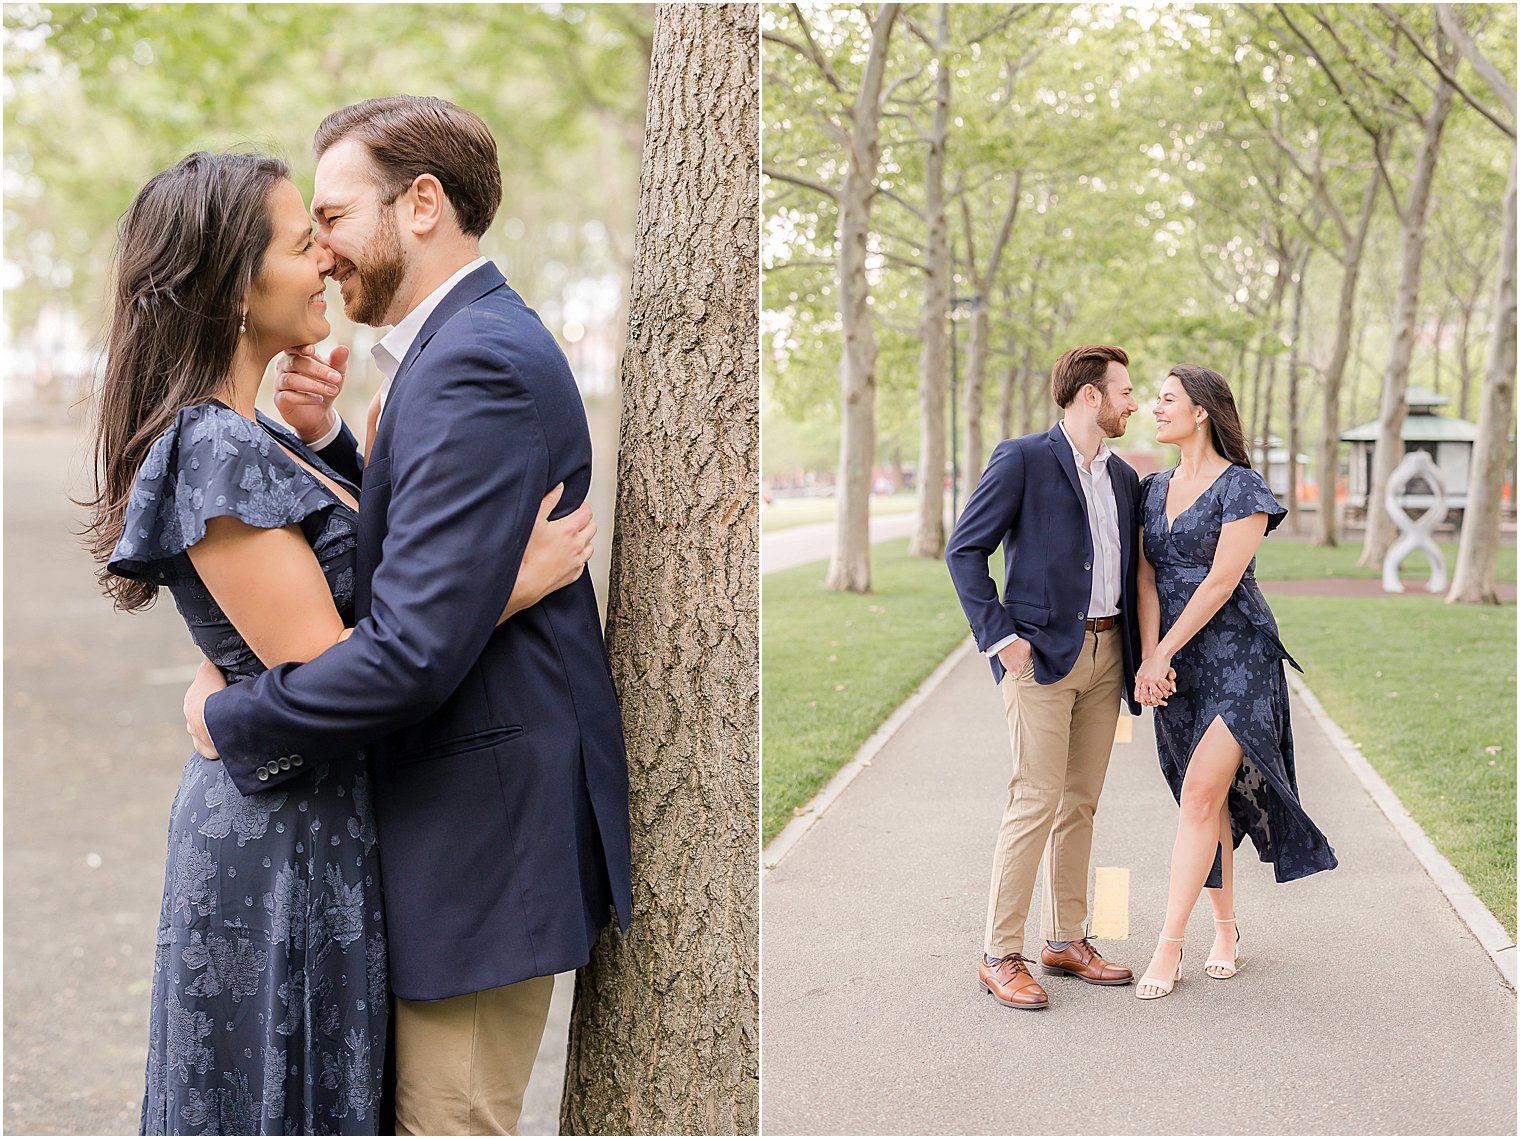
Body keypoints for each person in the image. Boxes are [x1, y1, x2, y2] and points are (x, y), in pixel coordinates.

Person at [85, 151, 595, 1133]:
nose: (324, 259)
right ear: (235, 285)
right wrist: (504, 586)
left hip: (317, 823)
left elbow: (327, 584)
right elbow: (334, 668)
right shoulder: (215, 448)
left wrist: (329, 445)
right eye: (297, 241)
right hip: (279, 832)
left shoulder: (261, 433)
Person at [946, 344, 1169, 1010]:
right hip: (1038, 658)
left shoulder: (1125, 477)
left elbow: (1134, 571)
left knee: (1080, 802)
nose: (1134, 402)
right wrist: (1001, 639)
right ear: (1089, 396)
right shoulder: (1023, 458)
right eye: (1125, 391)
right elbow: (966, 549)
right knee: (1034, 798)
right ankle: (998, 952)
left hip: (1106, 657)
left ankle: (1066, 938)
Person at [1131, 365, 1338, 1000]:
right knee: (1206, 803)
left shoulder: (1241, 487)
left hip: (1238, 655)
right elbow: (1144, 578)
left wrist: (1161, 649)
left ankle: (1168, 947)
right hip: (1174, 664)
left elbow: (1222, 583)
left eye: (1167, 400)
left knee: (1199, 794)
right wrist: (1150, 658)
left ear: (1200, 412)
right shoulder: (1153, 486)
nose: (1155, 409)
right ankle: (1226, 928)